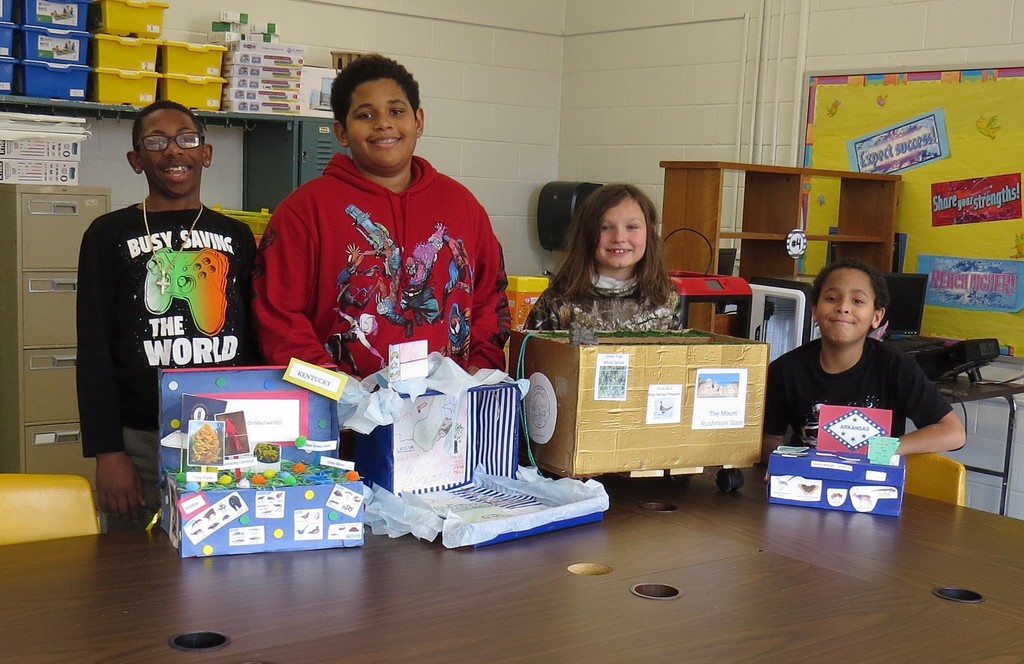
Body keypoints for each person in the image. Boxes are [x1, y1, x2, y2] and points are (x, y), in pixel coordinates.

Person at [251, 54, 511, 377]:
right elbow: (277, 318)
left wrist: (477, 374)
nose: (383, 123)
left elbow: (491, 300)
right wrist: (337, 390)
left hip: (450, 404)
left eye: (396, 111)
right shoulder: (303, 211)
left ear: (418, 121)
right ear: (341, 132)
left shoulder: (463, 206)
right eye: (365, 115)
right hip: (337, 406)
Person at [76, 100, 257, 529]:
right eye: (156, 141)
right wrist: (107, 452)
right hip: (138, 437)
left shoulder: (237, 236)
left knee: (225, 545)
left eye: (187, 139)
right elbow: (94, 348)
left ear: (205, 153)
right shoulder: (107, 234)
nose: (174, 150)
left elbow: (253, 338)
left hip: (226, 424)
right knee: (134, 558)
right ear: (136, 160)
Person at [761, 258, 966, 462]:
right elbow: (769, 439)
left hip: (872, 479)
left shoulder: (895, 367)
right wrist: (789, 464)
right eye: (831, 298)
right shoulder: (785, 370)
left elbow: (954, 433)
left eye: (857, 301)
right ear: (814, 310)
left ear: (877, 317)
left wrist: (883, 450)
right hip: (805, 479)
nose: (843, 307)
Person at [525, 183, 682, 331]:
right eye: (605, 227)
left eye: (631, 227)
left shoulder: (666, 300)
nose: (619, 238)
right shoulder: (556, 303)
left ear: (650, 232)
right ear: (586, 234)